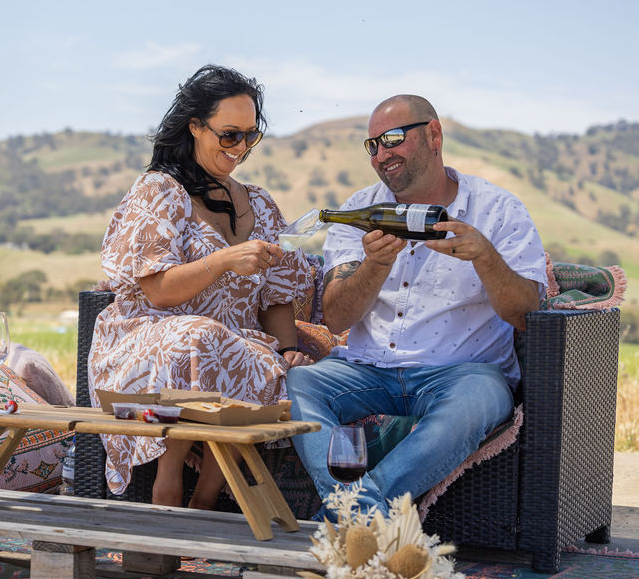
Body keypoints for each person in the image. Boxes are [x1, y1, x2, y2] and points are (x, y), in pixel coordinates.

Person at [287, 94, 548, 518]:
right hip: (367, 370)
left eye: (392, 139)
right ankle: (363, 517)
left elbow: (526, 313)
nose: (381, 154)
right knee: (297, 385)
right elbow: (336, 317)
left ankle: (345, 516)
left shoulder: (498, 209)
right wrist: (374, 265)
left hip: (461, 373)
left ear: (433, 134)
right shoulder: (359, 210)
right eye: (372, 145)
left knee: (479, 398)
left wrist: (485, 256)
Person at [88, 64, 316, 508]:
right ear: (195, 126)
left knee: (263, 356)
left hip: (230, 342)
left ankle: (208, 496)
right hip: (148, 339)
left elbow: (276, 297)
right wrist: (222, 260)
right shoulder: (160, 190)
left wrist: (288, 349)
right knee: (203, 338)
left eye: (251, 136)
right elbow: (156, 291)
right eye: (229, 135)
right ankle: (166, 483)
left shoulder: (262, 205)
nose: (241, 148)